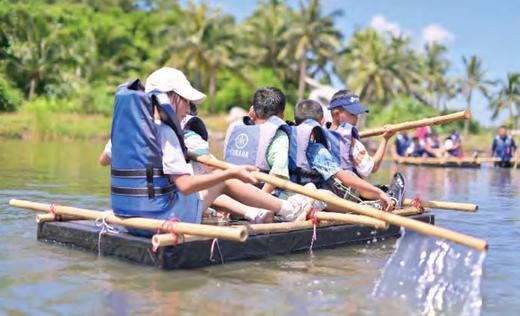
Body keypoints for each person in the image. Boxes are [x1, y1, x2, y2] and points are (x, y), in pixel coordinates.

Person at [101, 68, 315, 234]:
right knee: (221, 179)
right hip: (161, 217)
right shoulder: (166, 132)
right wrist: (231, 172)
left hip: (129, 216)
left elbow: (104, 160)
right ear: (171, 98)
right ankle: (289, 210)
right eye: (186, 101)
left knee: (209, 179)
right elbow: (184, 186)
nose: (187, 108)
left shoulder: (126, 131)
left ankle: (257, 213)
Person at [290, 99, 398, 211]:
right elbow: (354, 175)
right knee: (344, 178)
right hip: (310, 199)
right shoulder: (317, 150)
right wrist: (379, 193)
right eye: (353, 115)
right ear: (322, 122)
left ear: (294, 121)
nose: (356, 118)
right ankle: (368, 206)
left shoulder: (284, 138)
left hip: (284, 195)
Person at [223, 87, 290, 195]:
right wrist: (257, 203)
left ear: (252, 110)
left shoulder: (236, 128)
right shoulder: (279, 136)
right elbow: (277, 174)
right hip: (258, 195)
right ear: (282, 115)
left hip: (229, 191)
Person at [326, 90, 395, 176]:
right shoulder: (352, 142)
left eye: (357, 114)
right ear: (336, 115)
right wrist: (385, 139)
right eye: (352, 114)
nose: (356, 118)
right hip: (345, 188)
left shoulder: (323, 134)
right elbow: (373, 168)